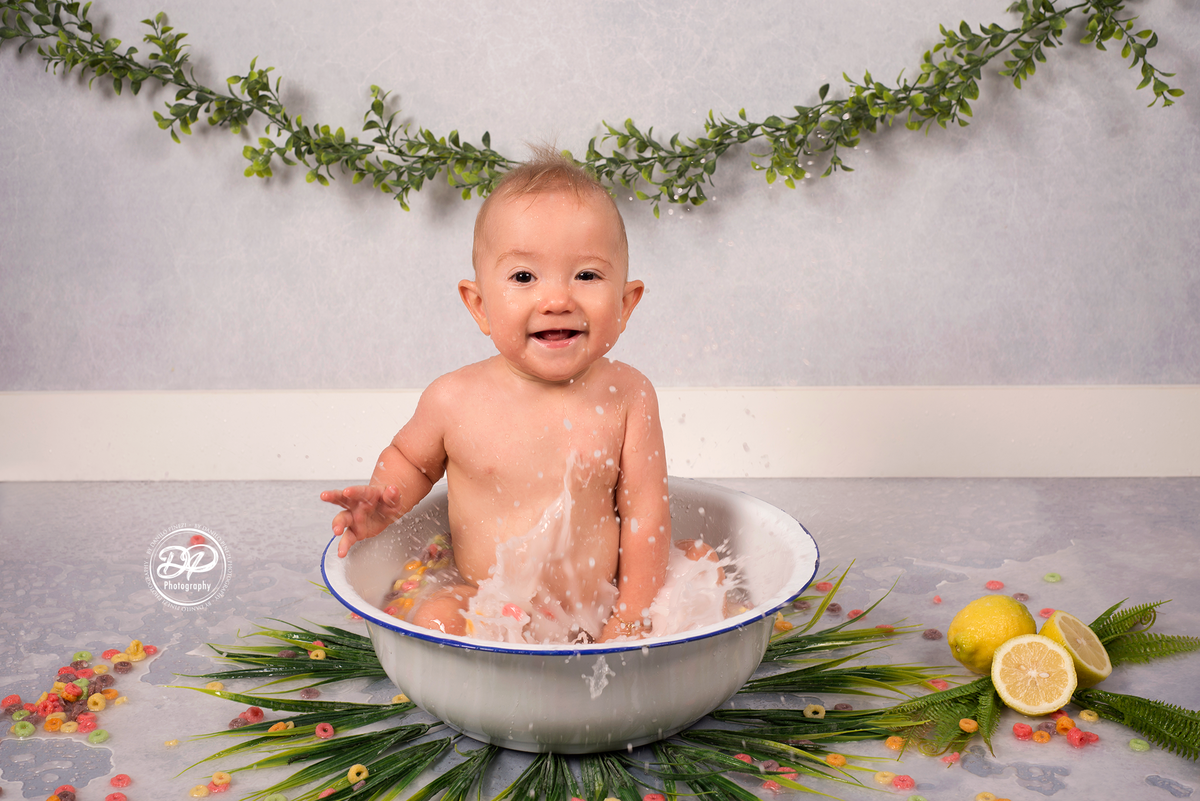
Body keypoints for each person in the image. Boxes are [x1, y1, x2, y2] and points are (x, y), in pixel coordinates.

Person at [321, 150, 671, 642]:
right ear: (480, 306)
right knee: (438, 620)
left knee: (699, 577)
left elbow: (647, 518)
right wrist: (385, 503)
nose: (557, 300)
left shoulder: (628, 395)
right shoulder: (453, 399)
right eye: (524, 277)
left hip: (602, 604)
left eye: (586, 275)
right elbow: (412, 462)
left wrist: (632, 614)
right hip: (490, 603)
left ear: (626, 302)